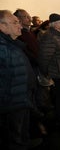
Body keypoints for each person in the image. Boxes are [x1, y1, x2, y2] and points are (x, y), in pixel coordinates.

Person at [0, 10, 42, 149]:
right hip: (12, 101)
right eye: (15, 22)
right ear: (2, 27)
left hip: (22, 96)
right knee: (14, 135)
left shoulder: (12, 43)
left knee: (23, 127)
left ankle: (25, 142)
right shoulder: (2, 47)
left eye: (18, 22)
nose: (19, 25)